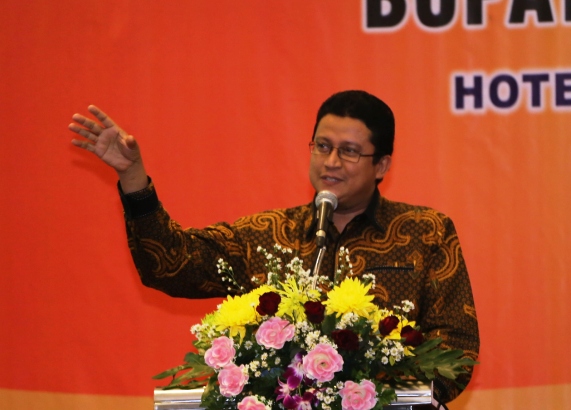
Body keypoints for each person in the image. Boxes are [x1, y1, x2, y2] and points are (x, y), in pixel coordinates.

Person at [69, 90, 479, 402]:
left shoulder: (426, 232)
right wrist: (133, 178)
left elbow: (457, 349)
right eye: (323, 146)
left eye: (350, 152)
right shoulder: (269, 233)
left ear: (382, 164)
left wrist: (373, 393)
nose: (331, 162)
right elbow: (172, 265)